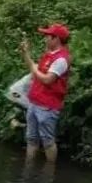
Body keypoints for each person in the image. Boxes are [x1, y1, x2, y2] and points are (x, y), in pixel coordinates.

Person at [20, 23, 70, 163]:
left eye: (47, 36)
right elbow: (35, 71)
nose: (45, 39)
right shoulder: (48, 55)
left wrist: (33, 66)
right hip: (35, 102)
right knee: (31, 139)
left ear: (56, 39)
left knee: (48, 140)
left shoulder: (61, 59)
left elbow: (47, 79)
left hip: (47, 106)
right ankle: (28, 167)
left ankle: (49, 173)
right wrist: (26, 54)